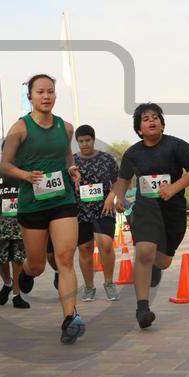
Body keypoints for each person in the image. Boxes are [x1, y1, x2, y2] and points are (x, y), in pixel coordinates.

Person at [0, 73, 84, 344]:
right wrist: (25, 175)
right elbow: (5, 165)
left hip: (62, 200)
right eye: (40, 92)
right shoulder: (20, 128)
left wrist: (71, 168)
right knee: (37, 265)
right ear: (30, 97)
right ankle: (26, 272)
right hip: (32, 204)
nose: (46, 96)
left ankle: (70, 318)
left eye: (50, 91)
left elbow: (66, 155)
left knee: (65, 259)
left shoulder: (66, 128)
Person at [110, 103, 189, 329]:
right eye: (145, 119)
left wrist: (173, 188)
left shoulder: (177, 146)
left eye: (155, 117)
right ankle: (142, 308)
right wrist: (119, 198)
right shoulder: (132, 153)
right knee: (144, 251)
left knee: (163, 261)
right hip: (146, 208)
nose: (152, 121)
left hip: (173, 211)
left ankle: (154, 265)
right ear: (139, 129)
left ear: (162, 123)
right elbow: (123, 180)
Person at [72, 124, 120, 301]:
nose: (85, 144)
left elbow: (118, 181)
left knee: (106, 245)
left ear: (93, 140)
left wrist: (111, 197)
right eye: (81, 141)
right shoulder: (71, 162)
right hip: (80, 211)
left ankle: (109, 283)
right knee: (85, 249)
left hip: (104, 209)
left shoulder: (107, 159)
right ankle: (89, 287)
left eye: (88, 140)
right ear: (77, 142)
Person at [0, 157, 30, 309]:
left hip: (21, 221)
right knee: (0, 258)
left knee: (18, 258)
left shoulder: (26, 171)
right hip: (0, 222)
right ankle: (7, 283)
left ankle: (17, 295)